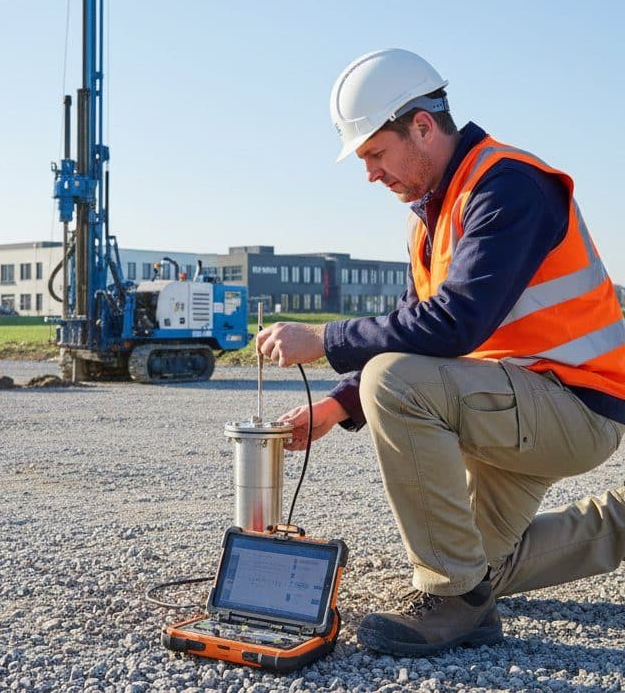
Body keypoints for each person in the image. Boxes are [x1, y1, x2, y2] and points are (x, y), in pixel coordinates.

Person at [256, 48, 625, 657]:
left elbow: (452, 327)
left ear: (422, 127)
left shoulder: (509, 186)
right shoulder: (432, 215)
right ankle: (473, 587)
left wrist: (325, 340)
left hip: (577, 405)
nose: (370, 173)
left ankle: (451, 601)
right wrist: (337, 405)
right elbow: (413, 324)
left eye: (375, 153)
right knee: (483, 570)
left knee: (394, 383)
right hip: (517, 403)